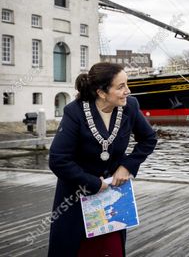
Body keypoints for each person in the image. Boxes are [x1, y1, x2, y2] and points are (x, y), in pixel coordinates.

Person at [48, 62, 158, 257]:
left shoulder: (130, 106)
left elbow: (148, 139)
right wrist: (91, 183)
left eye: (127, 84)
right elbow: (58, 159)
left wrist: (127, 166)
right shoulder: (75, 112)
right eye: (121, 86)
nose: (128, 91)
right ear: (101, 92)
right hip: (76, 196)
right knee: (74, 250)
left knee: (110, 251)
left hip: (112, 198)